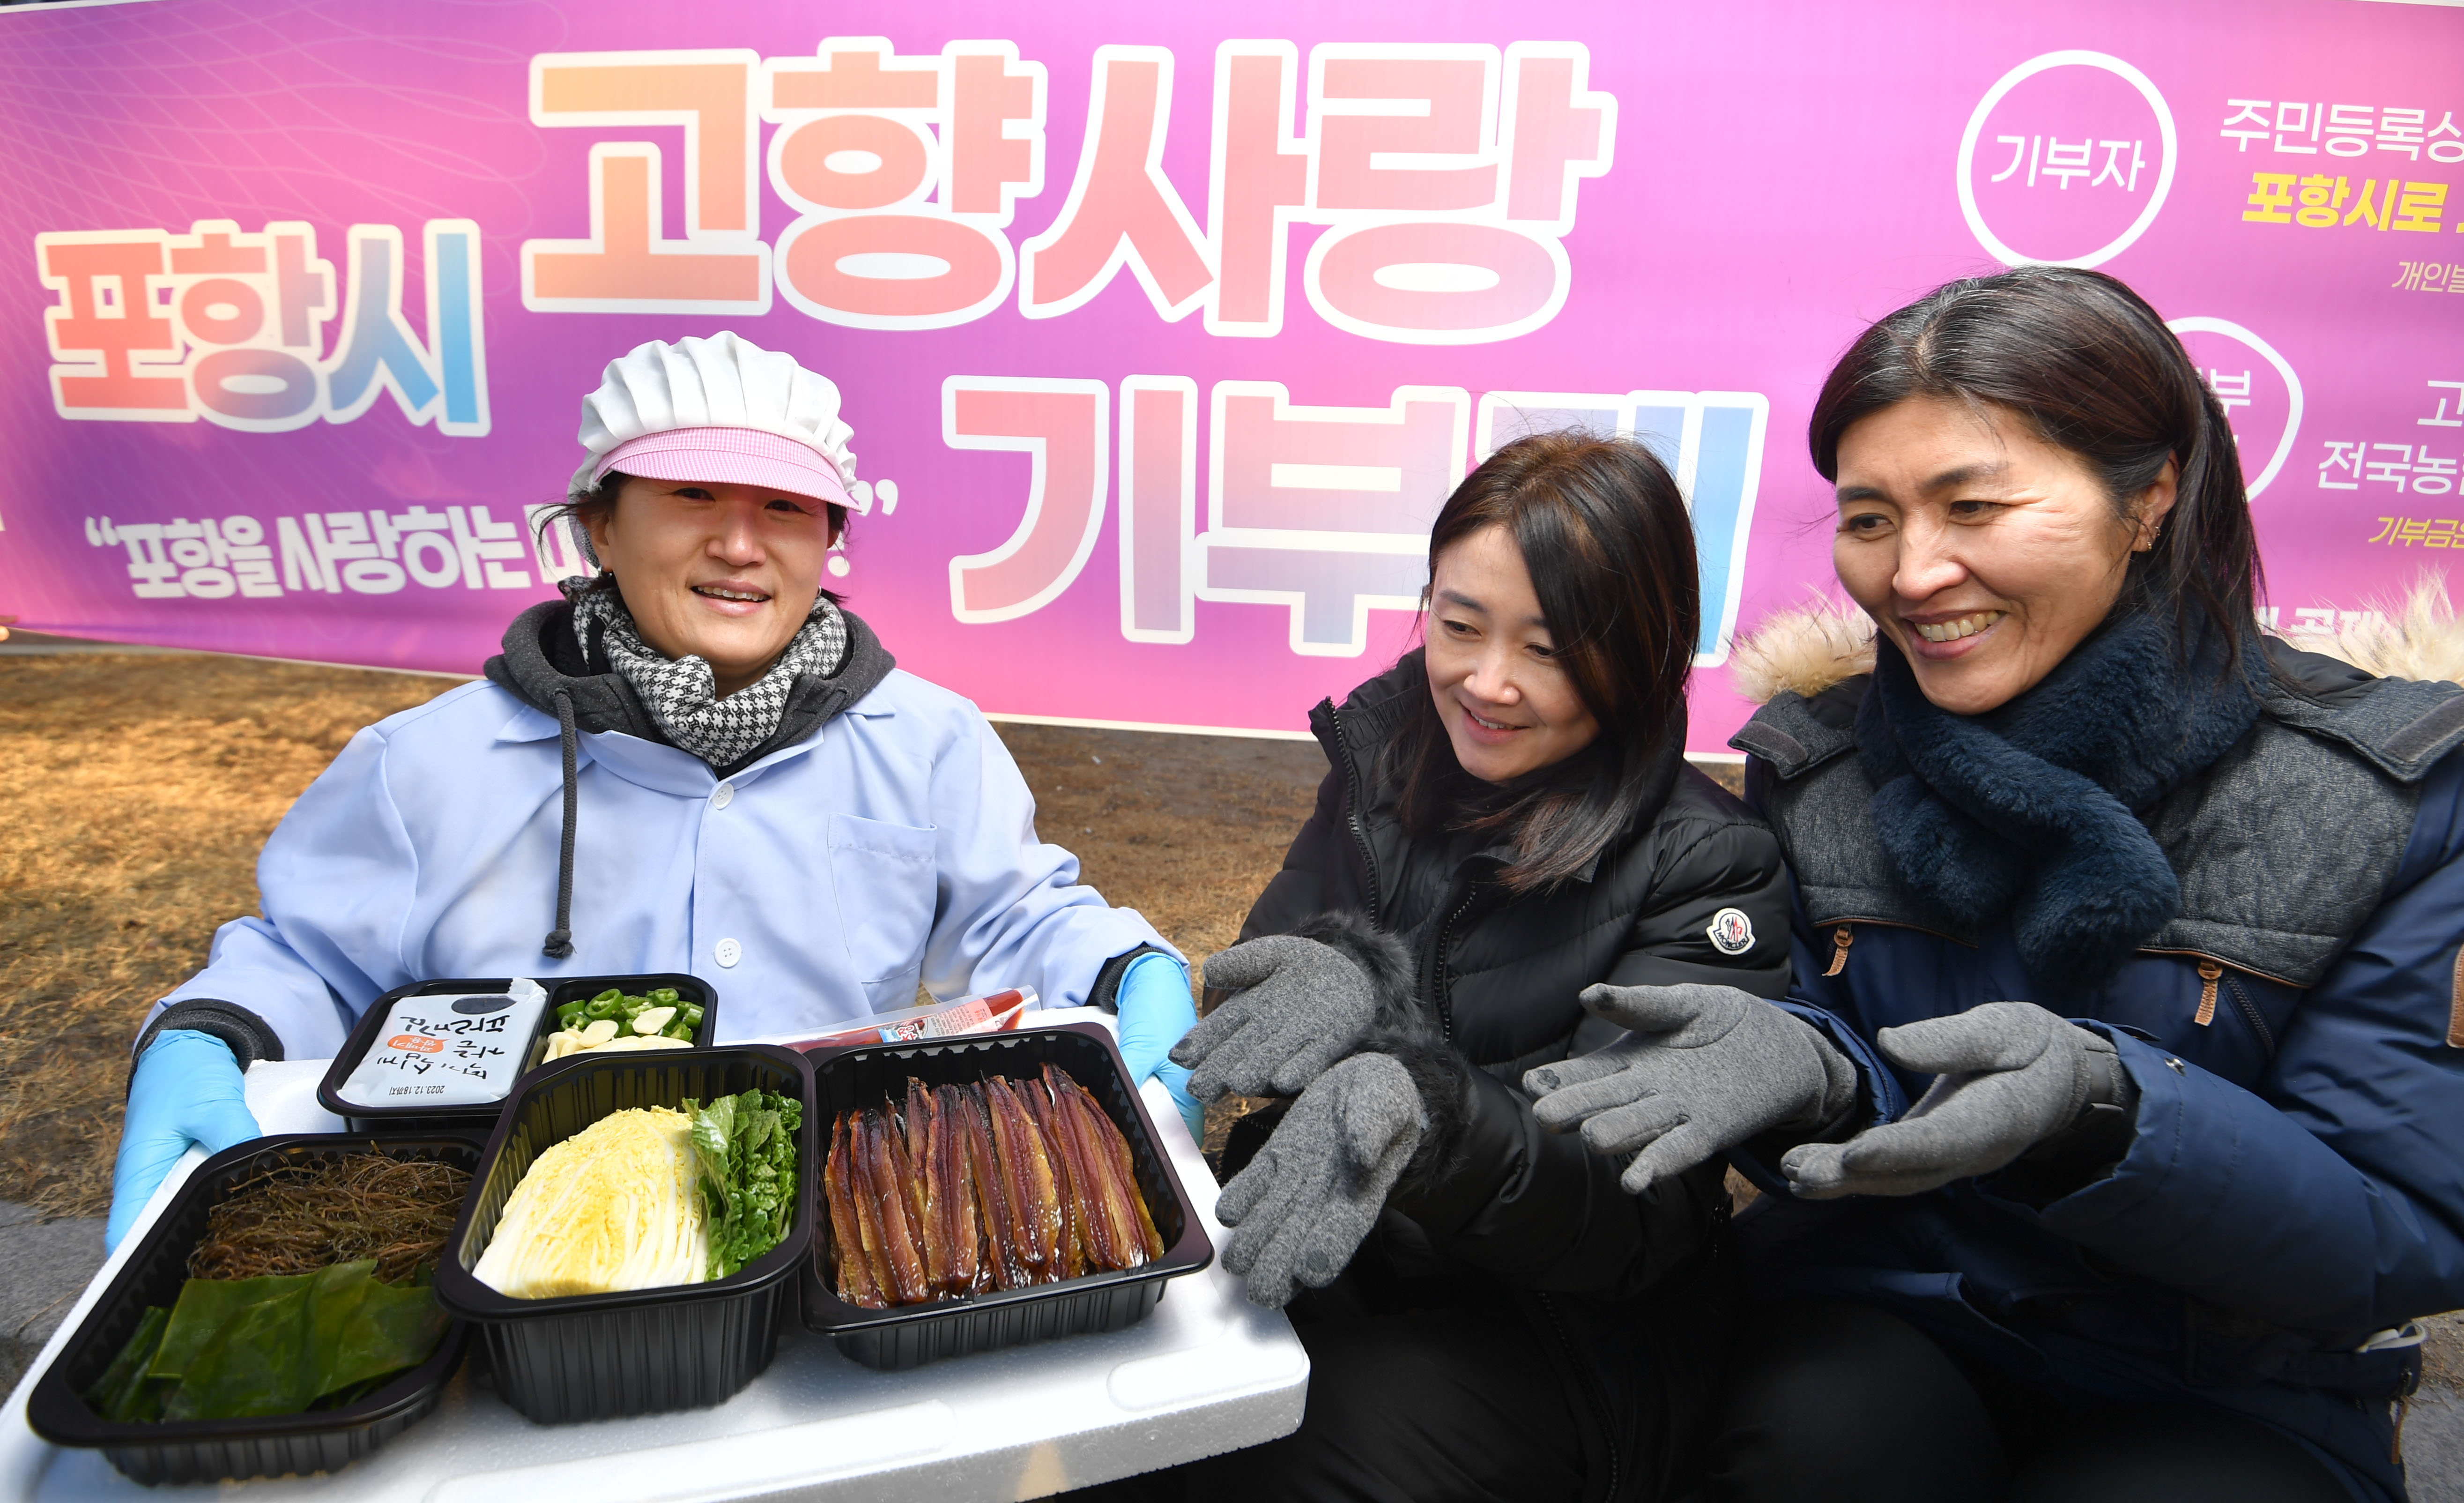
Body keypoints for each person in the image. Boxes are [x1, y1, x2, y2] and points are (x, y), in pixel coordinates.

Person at [1524, 267, 2464, 1503]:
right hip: (1876, 1314)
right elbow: (1820, 1058)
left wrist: (2107, 1108)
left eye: (1972, 506)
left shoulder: (2383, 796)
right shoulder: (1816, 766)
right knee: (1808, 1439)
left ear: (2150, 496)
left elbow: (2395, 1233)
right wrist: (1807, 1065)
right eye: (1869, 519)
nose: (1912, 574)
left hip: (2224, 1377)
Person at [106, 332, 1200, 1250]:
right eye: (689, 495)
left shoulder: (925, 737)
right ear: (598, 524)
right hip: (526, 1232)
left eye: (783, 506)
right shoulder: (427, 764)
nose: (737, 543)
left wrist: (1124, 962)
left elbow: (1012, 917)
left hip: (826, 1219)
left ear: (828, 540)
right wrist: (209, 1030)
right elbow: (310, 961)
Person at [1092, 432, 1792, 1503]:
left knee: (1273, 1461)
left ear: (1644, 649)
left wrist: (1427, 1113)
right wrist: (1329, 978)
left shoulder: (1710, 866)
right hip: (1326, 1242)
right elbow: (1259, 980)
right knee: (1105, 1416)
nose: (1487, 682)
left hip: (1557, 1335)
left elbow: (1633, 1210)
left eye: (1549, 649)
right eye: (1458, 626)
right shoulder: (1386, 753)